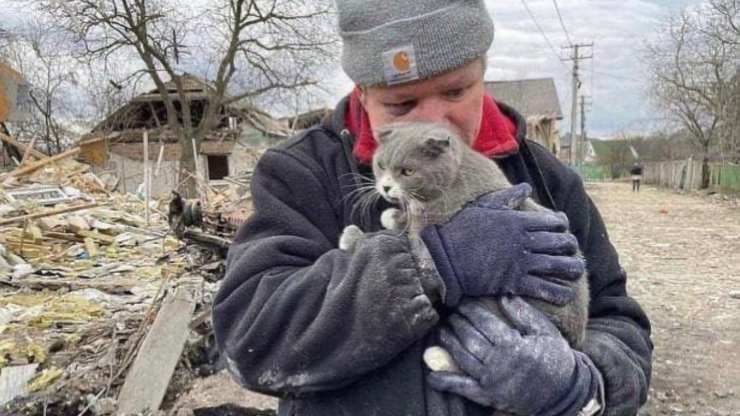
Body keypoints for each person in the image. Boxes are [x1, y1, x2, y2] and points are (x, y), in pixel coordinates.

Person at [213, 1, 653, 415]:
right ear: (363, 93)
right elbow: (250, 339)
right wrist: (426, 263)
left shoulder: (546, 180)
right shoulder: (302, 174)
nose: (434, 123)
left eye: (456, 90)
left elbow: (619, 324)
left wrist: (580, 387)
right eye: (401, 103)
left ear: (483, 70)